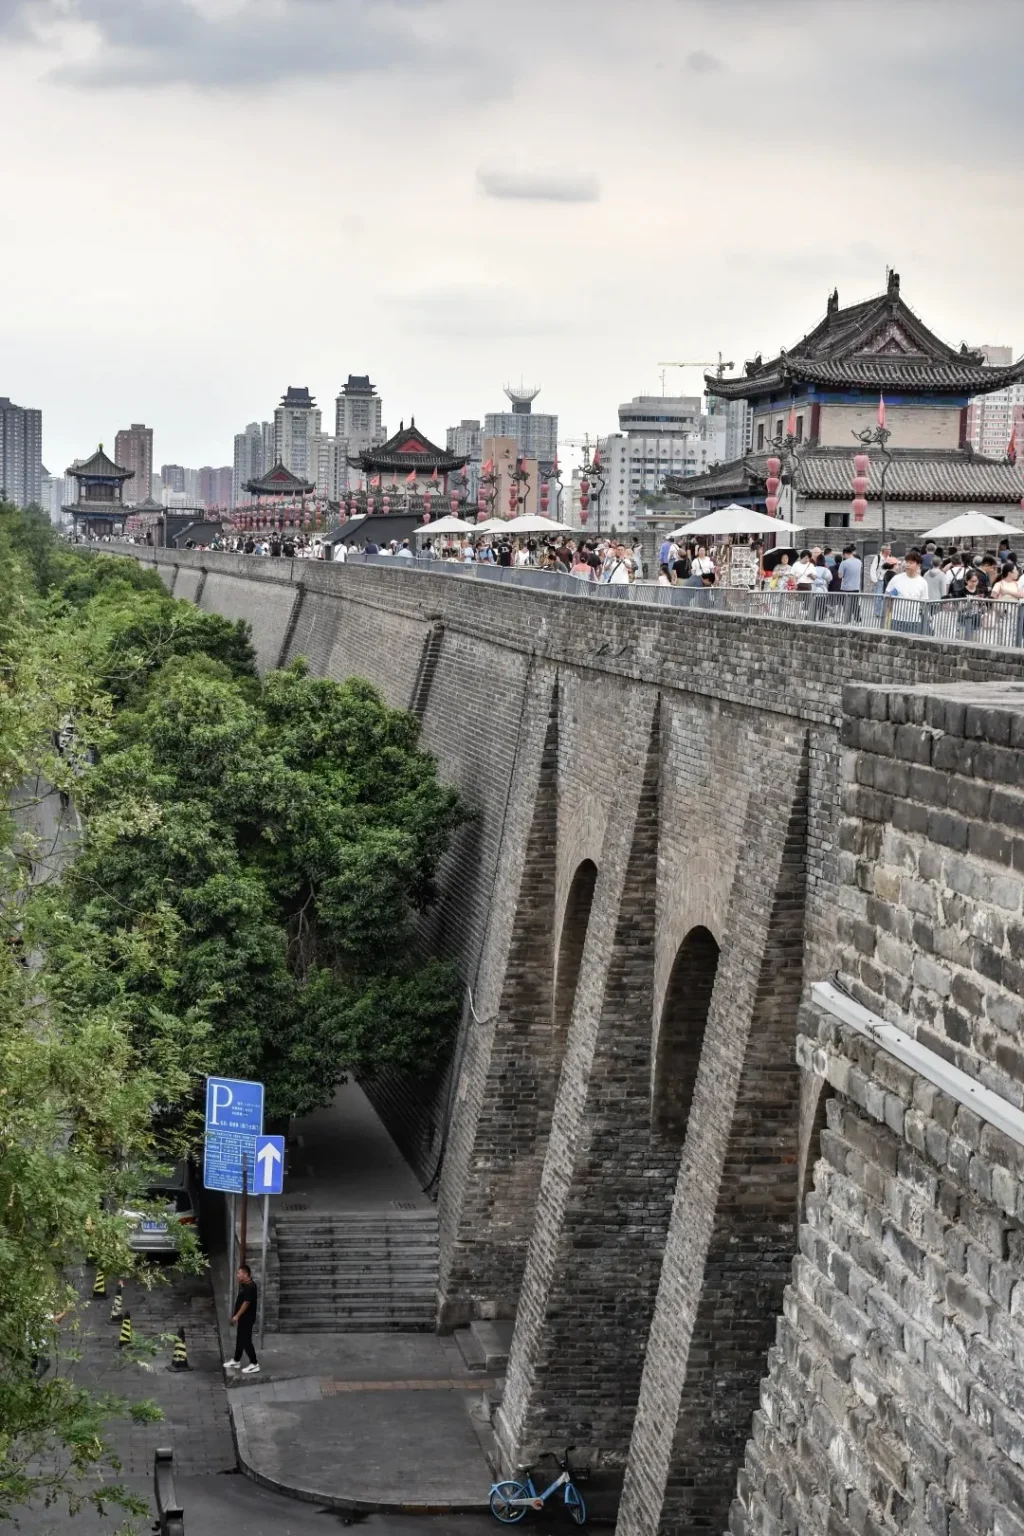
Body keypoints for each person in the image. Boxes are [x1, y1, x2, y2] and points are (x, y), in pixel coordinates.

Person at [225, 1264, 259, 1374]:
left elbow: (246, 1303)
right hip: (243, 1318)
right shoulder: (245, 1284)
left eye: (239, 1273)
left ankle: (254, 1364)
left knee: (246, 1340)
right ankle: (236, 1360)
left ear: (245, 1274)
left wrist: (236, 1316)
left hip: (247, 1318)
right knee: (240, 1339)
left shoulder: (250, 1287)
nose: (237, 1275)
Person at [886, 550, 929, 633]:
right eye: (907, 562)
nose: (908, 565)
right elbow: (887, 596)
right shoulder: (896, 579)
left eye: (911, 562)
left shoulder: (923, 582)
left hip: (914, 621)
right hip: (896, 619)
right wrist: (888, 615)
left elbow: (924, 603)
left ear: (918, 565)